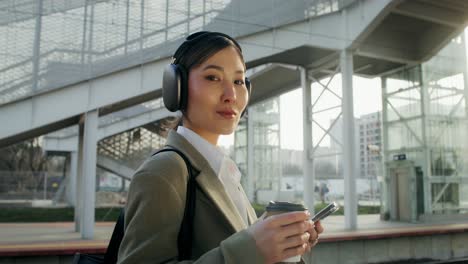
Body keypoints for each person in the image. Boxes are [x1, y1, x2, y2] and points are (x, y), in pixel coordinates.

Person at [117, 31, 323, 264]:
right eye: (213, 78)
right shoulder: (165, 171)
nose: (231, 95)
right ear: (177, 87)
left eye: (238, 81)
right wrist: (250, 249)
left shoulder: (225, 171)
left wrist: (285, 245)